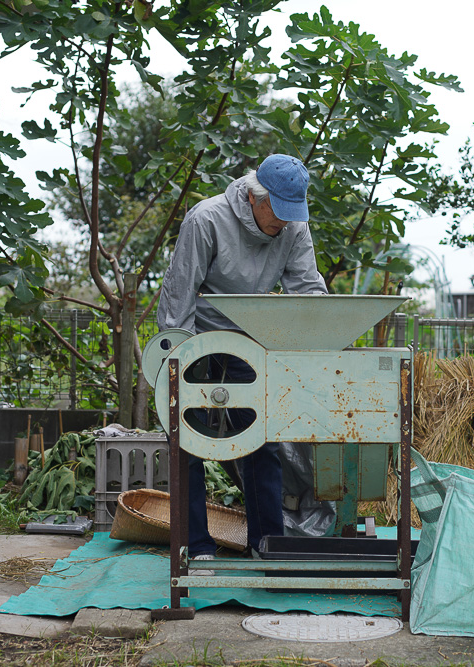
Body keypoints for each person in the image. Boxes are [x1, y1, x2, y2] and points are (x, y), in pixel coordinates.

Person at [156, 154, 327, 571]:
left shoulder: (293, 228)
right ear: (255, 197)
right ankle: (195, 546)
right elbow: (180, 293)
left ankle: (267, 544)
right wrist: (175, 362)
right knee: (188, 441)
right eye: (278, 213)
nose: (284, 223)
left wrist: (325, 344)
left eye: (292, 215)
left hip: (250, 339)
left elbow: (307, 289)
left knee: (261, 441)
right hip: (196, 336)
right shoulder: (206, 219)